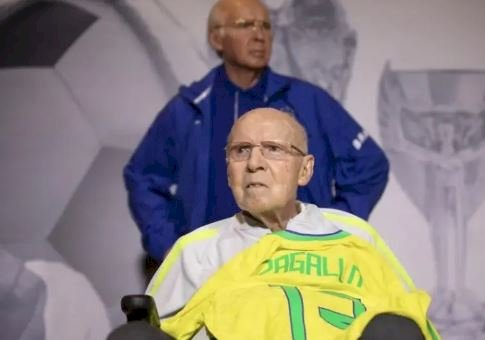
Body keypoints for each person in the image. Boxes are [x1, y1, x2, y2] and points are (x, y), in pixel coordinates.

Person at [110, 108, 437, 340]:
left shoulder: (354, 236)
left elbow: (411, 323)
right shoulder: (197, 249)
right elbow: (157, 330)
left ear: (305, 170)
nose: (254, 163)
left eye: (273, 150)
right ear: (228, 171)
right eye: (241, 151)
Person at [123, 0, 389, 263]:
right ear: (217, 39)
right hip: (212, 274)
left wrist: (330, 229)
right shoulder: (189, 109)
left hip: (294, 268)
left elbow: (370, 165)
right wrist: (169, 247)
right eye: (245, 25)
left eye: (265, 26)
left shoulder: (308, 101)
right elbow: (143, 177)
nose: (259, 35)